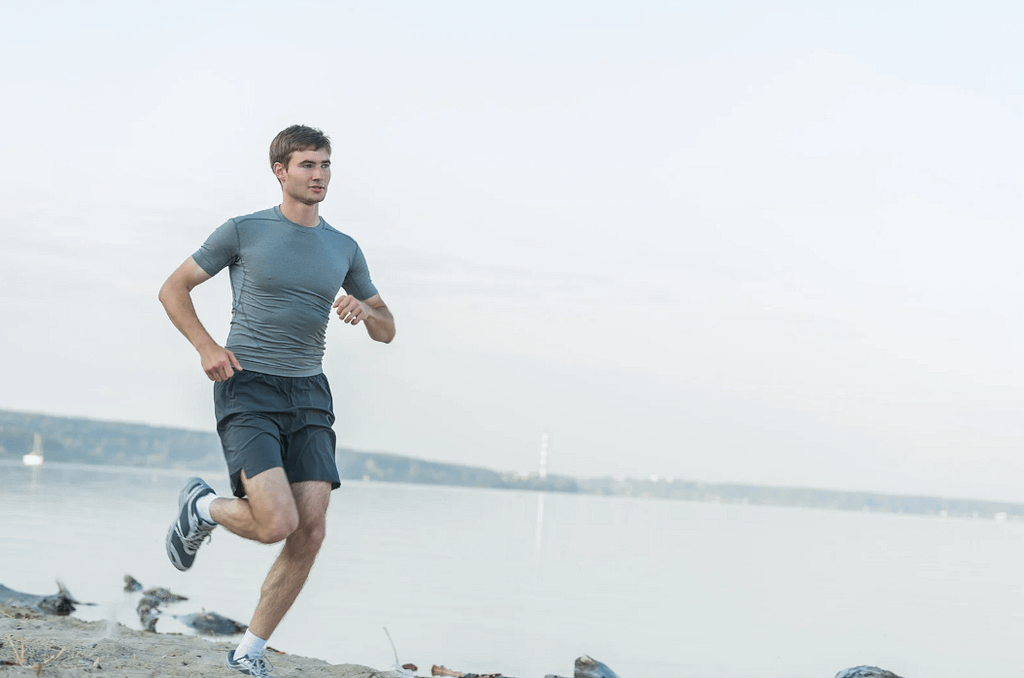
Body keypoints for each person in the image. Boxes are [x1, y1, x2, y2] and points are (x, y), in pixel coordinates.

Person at [158, 124, 395, 677]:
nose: (319, 175)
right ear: (280, 171)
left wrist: (366, 312)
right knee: (276, 523)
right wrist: (206, 346)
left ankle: (248, 653)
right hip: (249, 386)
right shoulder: (243, 231)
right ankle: (202, 508)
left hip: (309, 393)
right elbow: (173, 288)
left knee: (310, 531)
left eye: (326, 165)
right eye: (308, 165)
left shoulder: (343, 247)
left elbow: (387, 328)